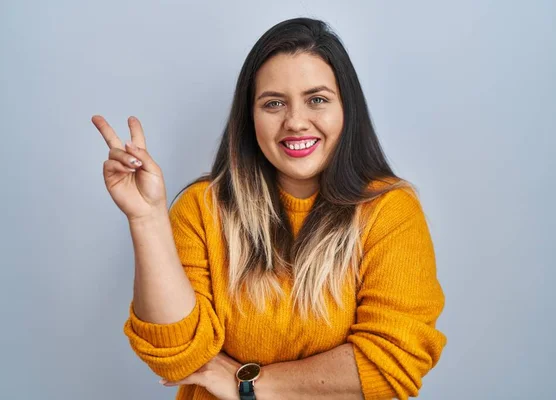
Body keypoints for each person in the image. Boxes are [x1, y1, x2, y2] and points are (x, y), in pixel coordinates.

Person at [92, 17, 446, 400]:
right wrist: (146, 218)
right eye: (273, 103)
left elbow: (395, 360)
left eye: (317, 99)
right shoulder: (203, 207)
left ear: (347, 109)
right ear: (250, 118)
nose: (295, 122)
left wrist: (246, 385)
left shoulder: (389, 210)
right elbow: (176, 356)